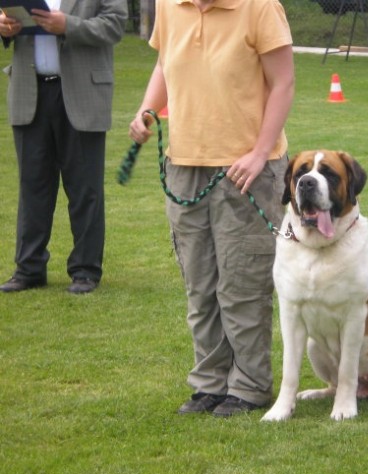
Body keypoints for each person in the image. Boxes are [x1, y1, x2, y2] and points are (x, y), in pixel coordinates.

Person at [128, 0, 294, 417]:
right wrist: (147, 109)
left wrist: (259, 153)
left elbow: (283, 83)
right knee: (199, 285)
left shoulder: (260, 7)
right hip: (184, 165)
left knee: (242, 285)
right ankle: (209, 383)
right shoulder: (169, 5)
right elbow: (166, 64)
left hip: (246, 170)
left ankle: (250, 386)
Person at [0, 1, 128, 294]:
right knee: (31, 186)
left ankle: (85, 270)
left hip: (83, 93)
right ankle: (28, 268)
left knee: (85, 188)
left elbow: (115, 23)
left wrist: (68, 26)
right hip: (29, 91)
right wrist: (4, 27)